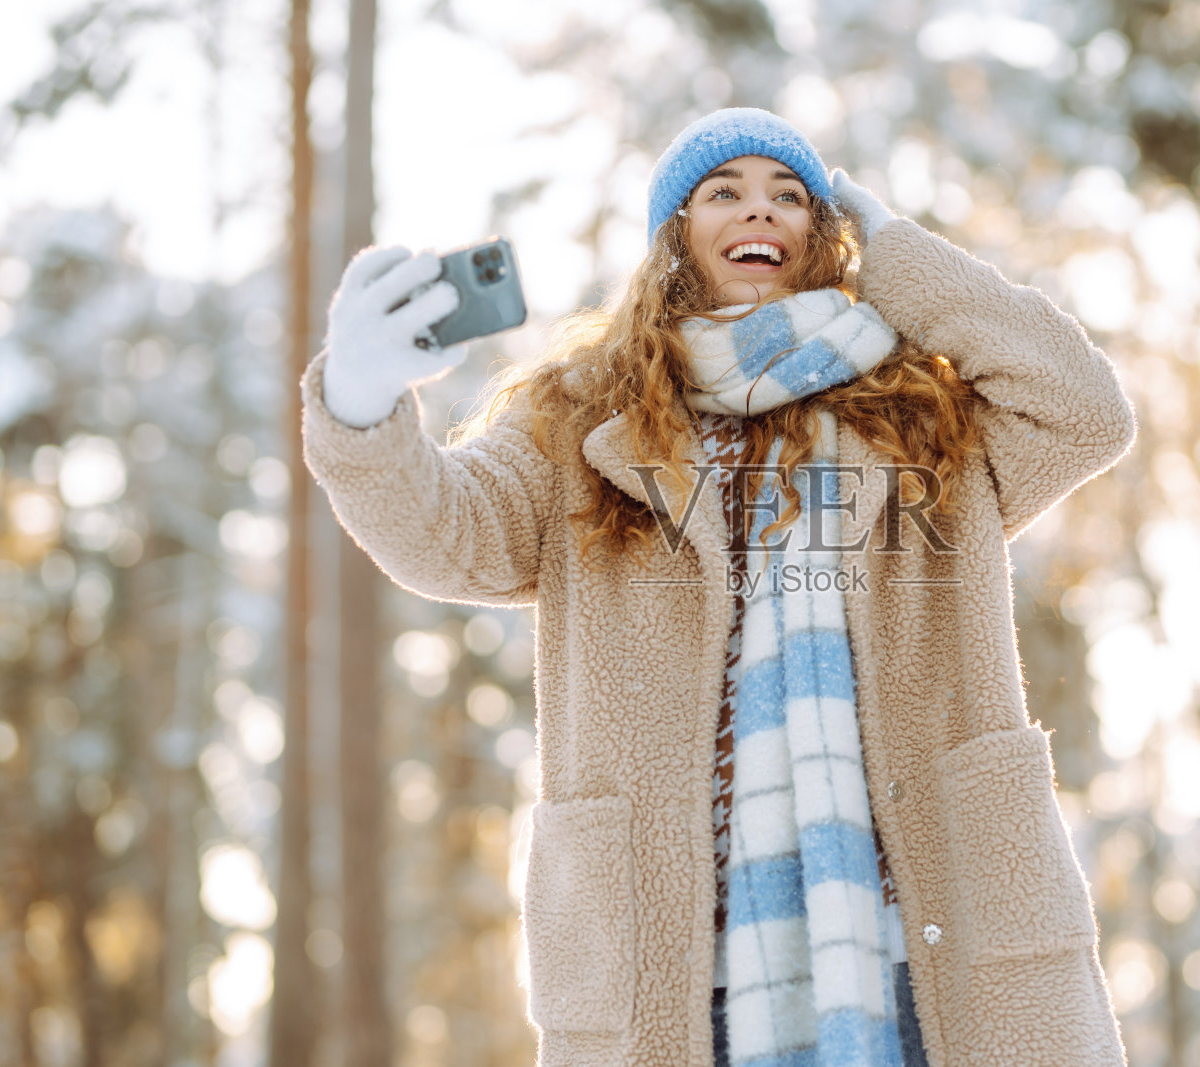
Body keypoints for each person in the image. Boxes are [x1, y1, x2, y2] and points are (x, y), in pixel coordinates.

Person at [302, 107, 1136, 1067]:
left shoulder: (924, 415)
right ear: (675, 237)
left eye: (791, 195)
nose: (760, 209)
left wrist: (903, 256)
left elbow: (1085, 411)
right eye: (723, 192)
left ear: (825, 235)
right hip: (690, 970)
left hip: (924, 942)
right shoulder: (580, 423)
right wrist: (360, 405)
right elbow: (445, 535)